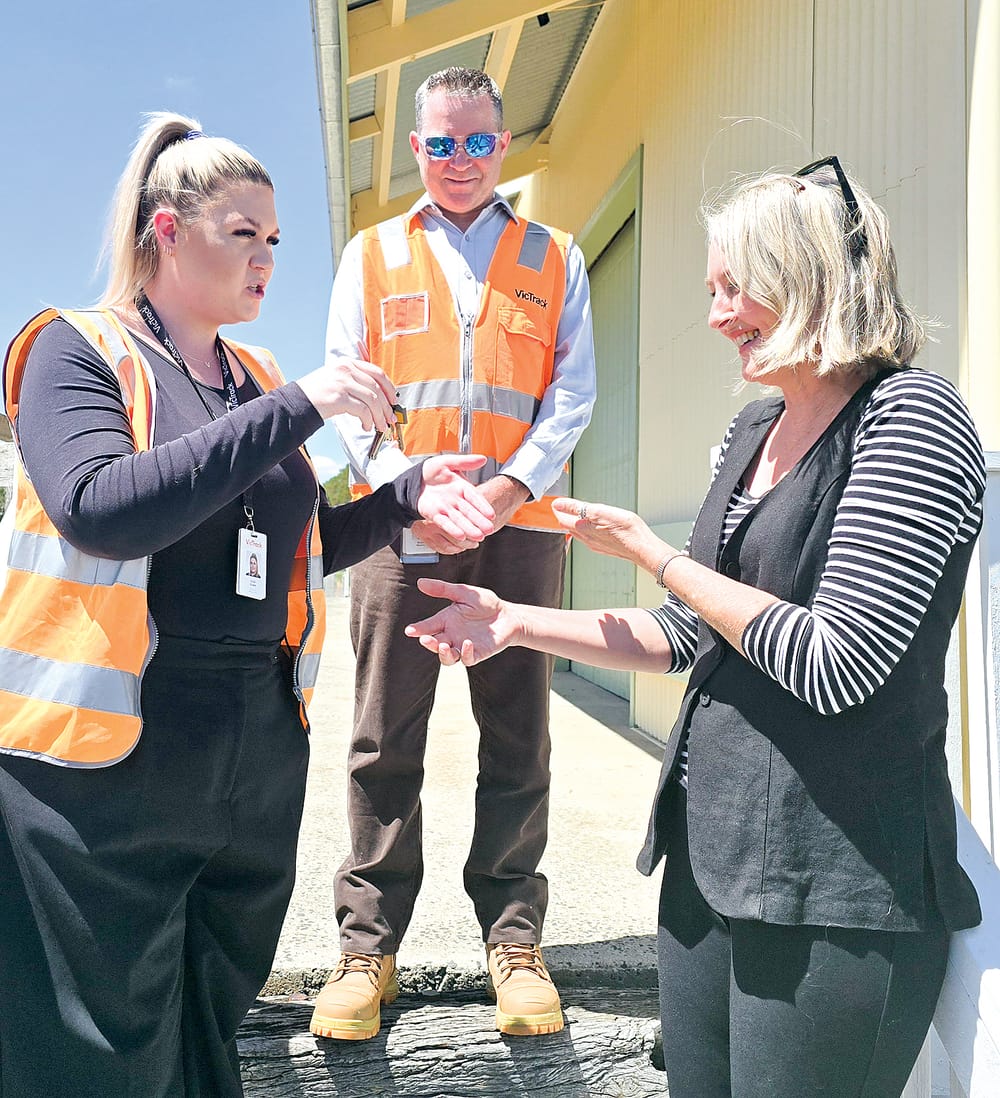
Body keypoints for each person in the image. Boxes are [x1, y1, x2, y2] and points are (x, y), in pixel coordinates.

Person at [405, 158, 985, 1097]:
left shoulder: (909, 417)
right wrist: (518, 623)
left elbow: (840, 660)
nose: (716, 315)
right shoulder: (754, 430)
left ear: (810, 277)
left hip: (832, 884)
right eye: (711, 291)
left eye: (734, 287)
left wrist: (659, 555)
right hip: (709, 862)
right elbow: (688, 633)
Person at [0, 112, 495, 1098]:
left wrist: (405, 502)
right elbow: (101, 507)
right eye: (243, 234)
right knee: (93, 1046)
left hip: (248, 753)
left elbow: (297, 546)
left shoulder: (256, 380)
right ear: (167, 231)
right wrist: (303, 406)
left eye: (276, 241)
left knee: (208, 1017)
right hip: (103, 764)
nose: (267, 259)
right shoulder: (76, 350)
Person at [310, 66, 596, 1041]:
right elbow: (350, 391)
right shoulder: (370, 253)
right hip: (403, 527)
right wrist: (411, 485)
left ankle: (514, 942)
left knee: (518, 736)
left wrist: (508, 489)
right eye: (439, 144)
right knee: (383, 738)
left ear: (502, 144)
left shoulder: (553, 254)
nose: (459, 161)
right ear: (415, 149)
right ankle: (366, 950)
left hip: (519, 530)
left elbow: (570, 394)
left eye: (476, 142)